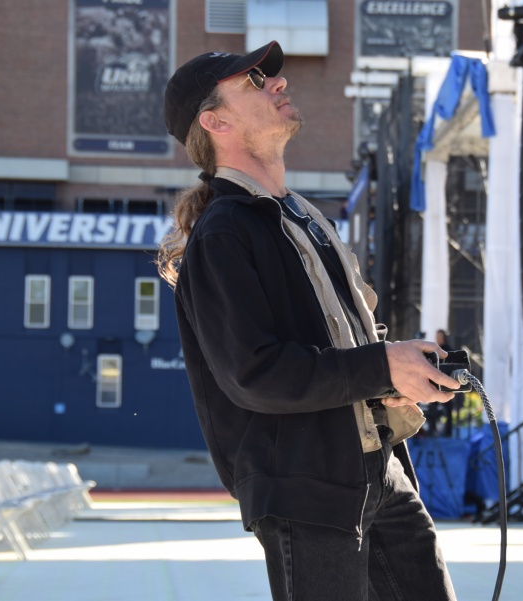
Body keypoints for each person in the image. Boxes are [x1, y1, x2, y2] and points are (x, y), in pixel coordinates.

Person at [157, 41, 460, 601]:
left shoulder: (303, 217)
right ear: (214, 121)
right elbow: (255, 374)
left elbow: (349, 338)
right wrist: (379, 367)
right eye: (253, 81)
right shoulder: (224, 232)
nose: (277, 83)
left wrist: (398, 367)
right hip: (307, 486)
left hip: (377, 468)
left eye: (271, 76)